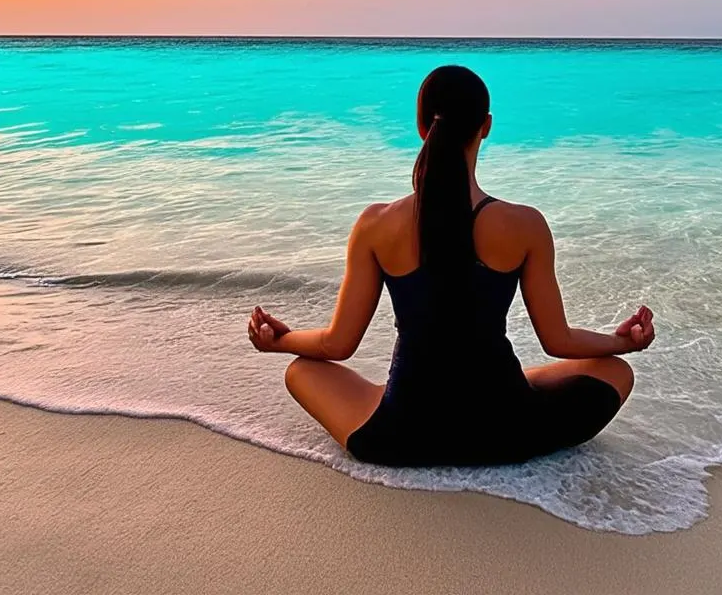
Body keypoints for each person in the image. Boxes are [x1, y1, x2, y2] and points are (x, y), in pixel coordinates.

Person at [247, 64, 655, 467]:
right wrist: (625, 342)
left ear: (423, 128)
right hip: (509, 433)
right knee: (617, 371)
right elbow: (558, 341)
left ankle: (419, 392)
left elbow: (337, 345)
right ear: (486, 126)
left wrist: (278, 340)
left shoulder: (374, 224)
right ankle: (497, 384)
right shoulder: (525, 225)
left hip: (399, 438)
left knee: (301, 371)